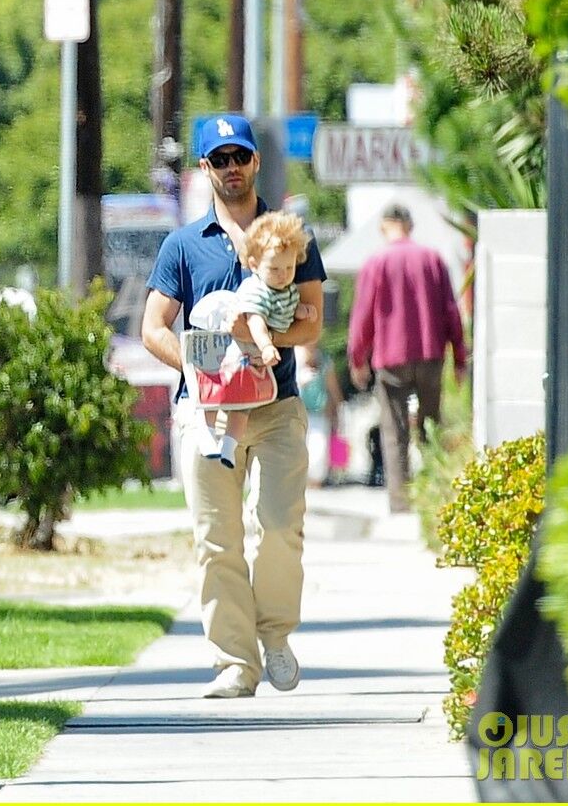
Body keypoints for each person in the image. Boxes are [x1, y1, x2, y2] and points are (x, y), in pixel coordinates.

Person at [142, 113, 327, 699]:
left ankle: (274, 635)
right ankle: (234, 663)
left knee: (278, 526)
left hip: (277, 405)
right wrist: (201, 369)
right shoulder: (182, 245)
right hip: (204, 415)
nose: (231, 168)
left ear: (255, 162)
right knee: (216, 539)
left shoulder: (292, 238)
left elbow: (313, 320)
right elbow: (153, 327)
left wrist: (259, 348)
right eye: (218, 159)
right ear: (204, 168)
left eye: (239, 156)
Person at [347, 202, 466, 513]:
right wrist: (461, 358)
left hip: (391, 356)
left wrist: (357, 358)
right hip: (430, 353)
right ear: (410, 226)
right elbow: (451, 311)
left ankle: (401, 501)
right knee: (431, 426)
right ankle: (435, 493)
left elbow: (363, 316)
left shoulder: (377, 262)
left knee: (394, 430)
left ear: (384, 226)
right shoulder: (432, 259)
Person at [190, 211, 317, 469]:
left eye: (289, 268)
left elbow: (289, 308)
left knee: (243, 405)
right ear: (254, 265)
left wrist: (304, 311)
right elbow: (255, 321)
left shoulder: (285, 289)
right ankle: (207, 431)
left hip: (255, 359)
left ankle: (227, 446)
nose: (282, 274)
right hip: (240, 351)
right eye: (274, 268)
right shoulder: (257, 289)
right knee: (220, 390)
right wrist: (267, 344)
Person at [294, 344, 344, 487]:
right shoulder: (293, 357)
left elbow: (332, 387)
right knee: (296, 453)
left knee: (318, 454)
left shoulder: (324, 359)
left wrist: (337, 411)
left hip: (319, 414)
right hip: (296, 414)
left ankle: (313, 486)